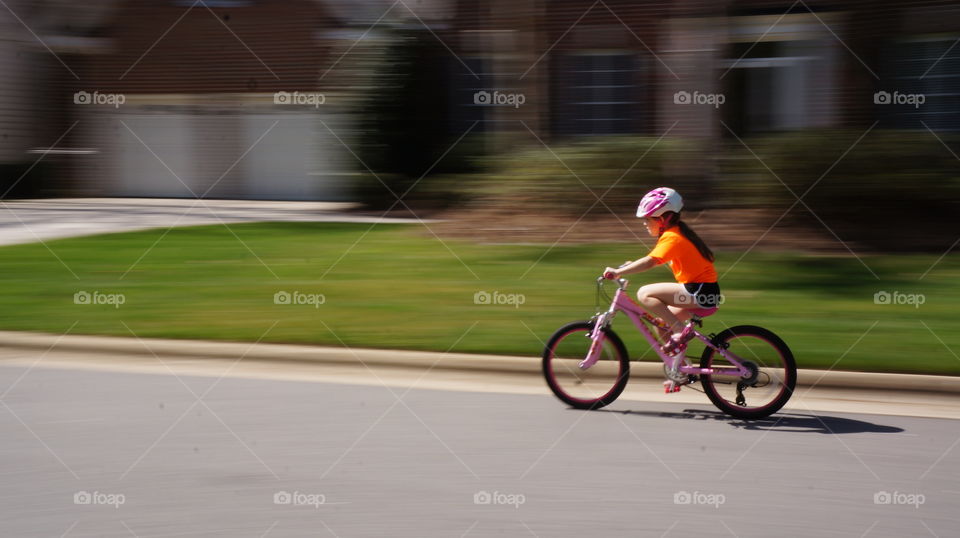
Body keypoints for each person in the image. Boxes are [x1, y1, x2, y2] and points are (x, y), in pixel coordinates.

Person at [603, 187, 720, 353]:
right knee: (662, 325)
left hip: (699, 292)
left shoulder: (672, 237)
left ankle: (679, 330)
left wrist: (618, 272)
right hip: (704, 293)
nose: (645, 224)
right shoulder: (677, 233)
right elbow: (655, 259)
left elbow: (650, 262)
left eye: (648, 219)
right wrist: (629, 266)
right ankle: (679, 372)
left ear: (664, 218)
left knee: (644, 293)